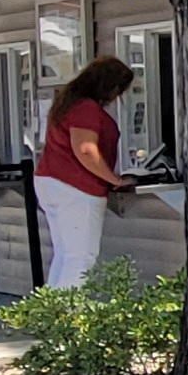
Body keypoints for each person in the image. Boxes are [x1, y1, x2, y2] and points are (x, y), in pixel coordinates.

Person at [33, 56, 138, 290]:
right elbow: (86, 150)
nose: (117, 96)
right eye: (119, 89)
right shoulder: (86, 108)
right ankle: (71, 318)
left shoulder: (68, 103)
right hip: (77, 187)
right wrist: (116, 180)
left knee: (64, 254)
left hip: (51, 181)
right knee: (81, 257)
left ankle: (52, 315)